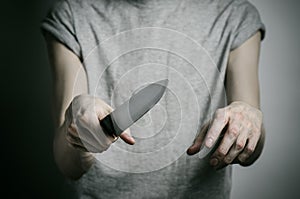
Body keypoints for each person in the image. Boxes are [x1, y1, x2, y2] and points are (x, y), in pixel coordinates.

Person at [41, 0, 266, 198]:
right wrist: (78, 131)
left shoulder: (235, 15)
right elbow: (67, 164)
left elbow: (252, 149)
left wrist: (246, 122)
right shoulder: (72, 15)